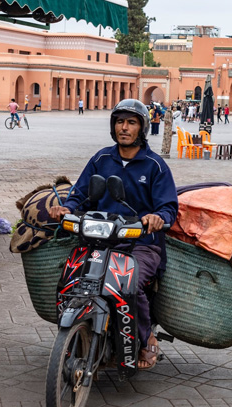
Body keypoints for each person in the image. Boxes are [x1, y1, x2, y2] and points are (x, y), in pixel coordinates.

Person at [48, 99, 178, 370]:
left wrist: (157, 218)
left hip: (141, 243)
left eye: (131, 122)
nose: (124, 128)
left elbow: (168, 207)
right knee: (69, 279)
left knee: (128, 284)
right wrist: (66, 208)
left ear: (141, 128)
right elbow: (80, 194)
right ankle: (75, 335)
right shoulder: (101, 159)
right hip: (99, 239)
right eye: (120, 121)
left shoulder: (155, 166)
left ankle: (146, 338)